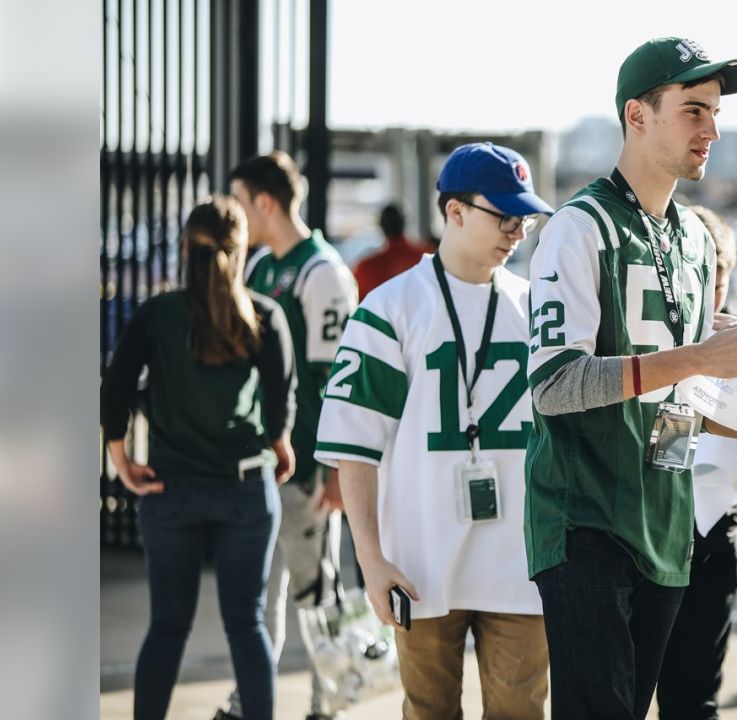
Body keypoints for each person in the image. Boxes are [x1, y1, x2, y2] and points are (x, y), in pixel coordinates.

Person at [524, 37, 737, 719]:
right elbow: (555, 386)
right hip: (585, 521)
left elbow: (669, 402)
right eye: (693, 111)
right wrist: (701, 358)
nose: (712, 129)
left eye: (713, 112)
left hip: (664, 523)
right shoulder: (580, 226)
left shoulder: (694, 239)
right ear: (637, 116)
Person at [315, 142, 555, 720]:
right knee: (428, 712)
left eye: (524, 218)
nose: (517, 231)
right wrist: (370, 561)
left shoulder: (540, 307)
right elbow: (356, 444)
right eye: (504, 215)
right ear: (455, 212)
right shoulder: (390, 307)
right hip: (419, 561)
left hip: (520, 562)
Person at [102, 196, 297, 720]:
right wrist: (279, 445)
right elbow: (281, 403)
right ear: (242, 249)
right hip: (245, 490)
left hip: (170, 491)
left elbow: (115, 390)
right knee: (247, 623)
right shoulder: (265, 315)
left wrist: (121, 460)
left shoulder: (156, 315)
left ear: (185, 248)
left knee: (167, 626)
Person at [221, 151, 359, 720]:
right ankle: (250, 699)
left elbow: (338, 379)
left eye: (239, 201)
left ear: (265, 203)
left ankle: (329, 700)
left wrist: (334, 470)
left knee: (314, 592)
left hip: (304, 468)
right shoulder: (256, 269)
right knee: (261, 592)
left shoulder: (322, 272)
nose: (235, 214)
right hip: (263, 464)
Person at [655, 205, 737, 720]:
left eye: (721, 278)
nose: (712, 293)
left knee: (695, 700)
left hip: (712, 534)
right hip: (652, 525)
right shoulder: (653, 342)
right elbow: (668, 451)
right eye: (701, 275)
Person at [352, 203, 434, 301]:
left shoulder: (366, 267)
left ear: (381, 226)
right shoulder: (428, 257)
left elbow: (356, 302)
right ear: (404, 222)